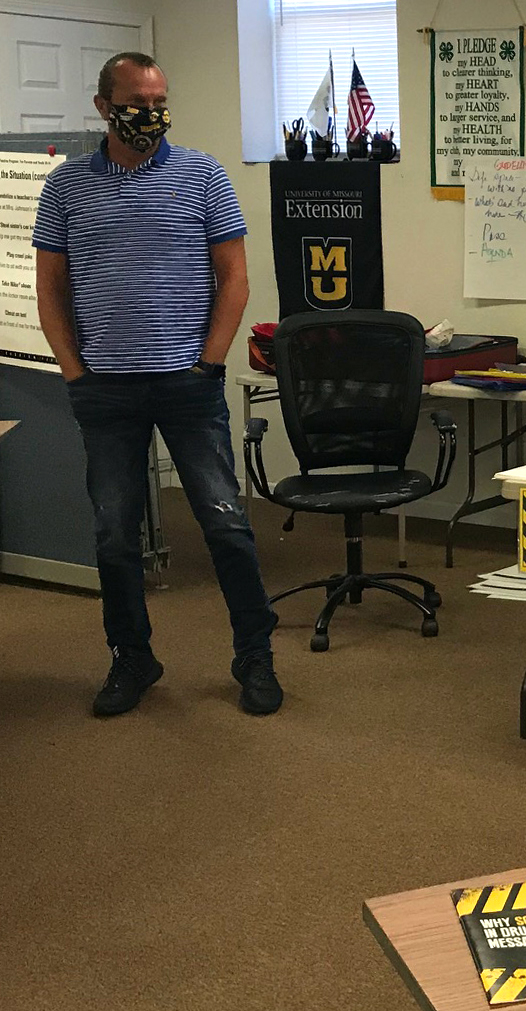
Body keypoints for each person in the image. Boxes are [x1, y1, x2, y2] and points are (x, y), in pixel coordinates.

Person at [34, 51, 282, 717]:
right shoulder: (65, 190)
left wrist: (209, 362)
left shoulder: (202, 176)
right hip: (105, 388)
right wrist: (73, 371)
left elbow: (235, 278)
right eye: (136, 101)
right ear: (103, 107)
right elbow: (50, 291)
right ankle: (132, 657)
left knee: (225, 524)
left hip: (187, 382)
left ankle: (255, 657)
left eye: (159, 99)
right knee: (115, 533)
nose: (150, 113)